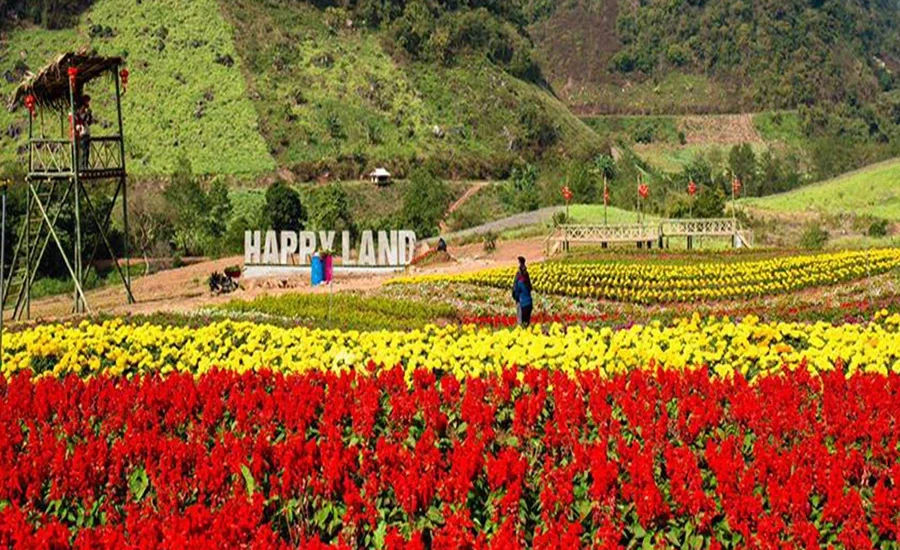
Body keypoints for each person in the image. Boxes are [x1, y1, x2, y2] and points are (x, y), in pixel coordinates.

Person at [512, 256, 533, 326]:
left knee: (521, 324)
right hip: (529, 303)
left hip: (522, 303)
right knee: (527, 323)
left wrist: (516, 298)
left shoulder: (519, 278)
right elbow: (530, 288)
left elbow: (515, 291)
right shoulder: (526, 276)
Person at [75, 95, 93, 170]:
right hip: (82, 132)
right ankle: (82, 166)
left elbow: (88, 122)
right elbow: (81, 119)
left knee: (87, 151)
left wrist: (89, 115)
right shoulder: (80, 110)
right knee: (83, 150)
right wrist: (86, 114)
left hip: (86, 132)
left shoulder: (86, 110)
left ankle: (85, 166)